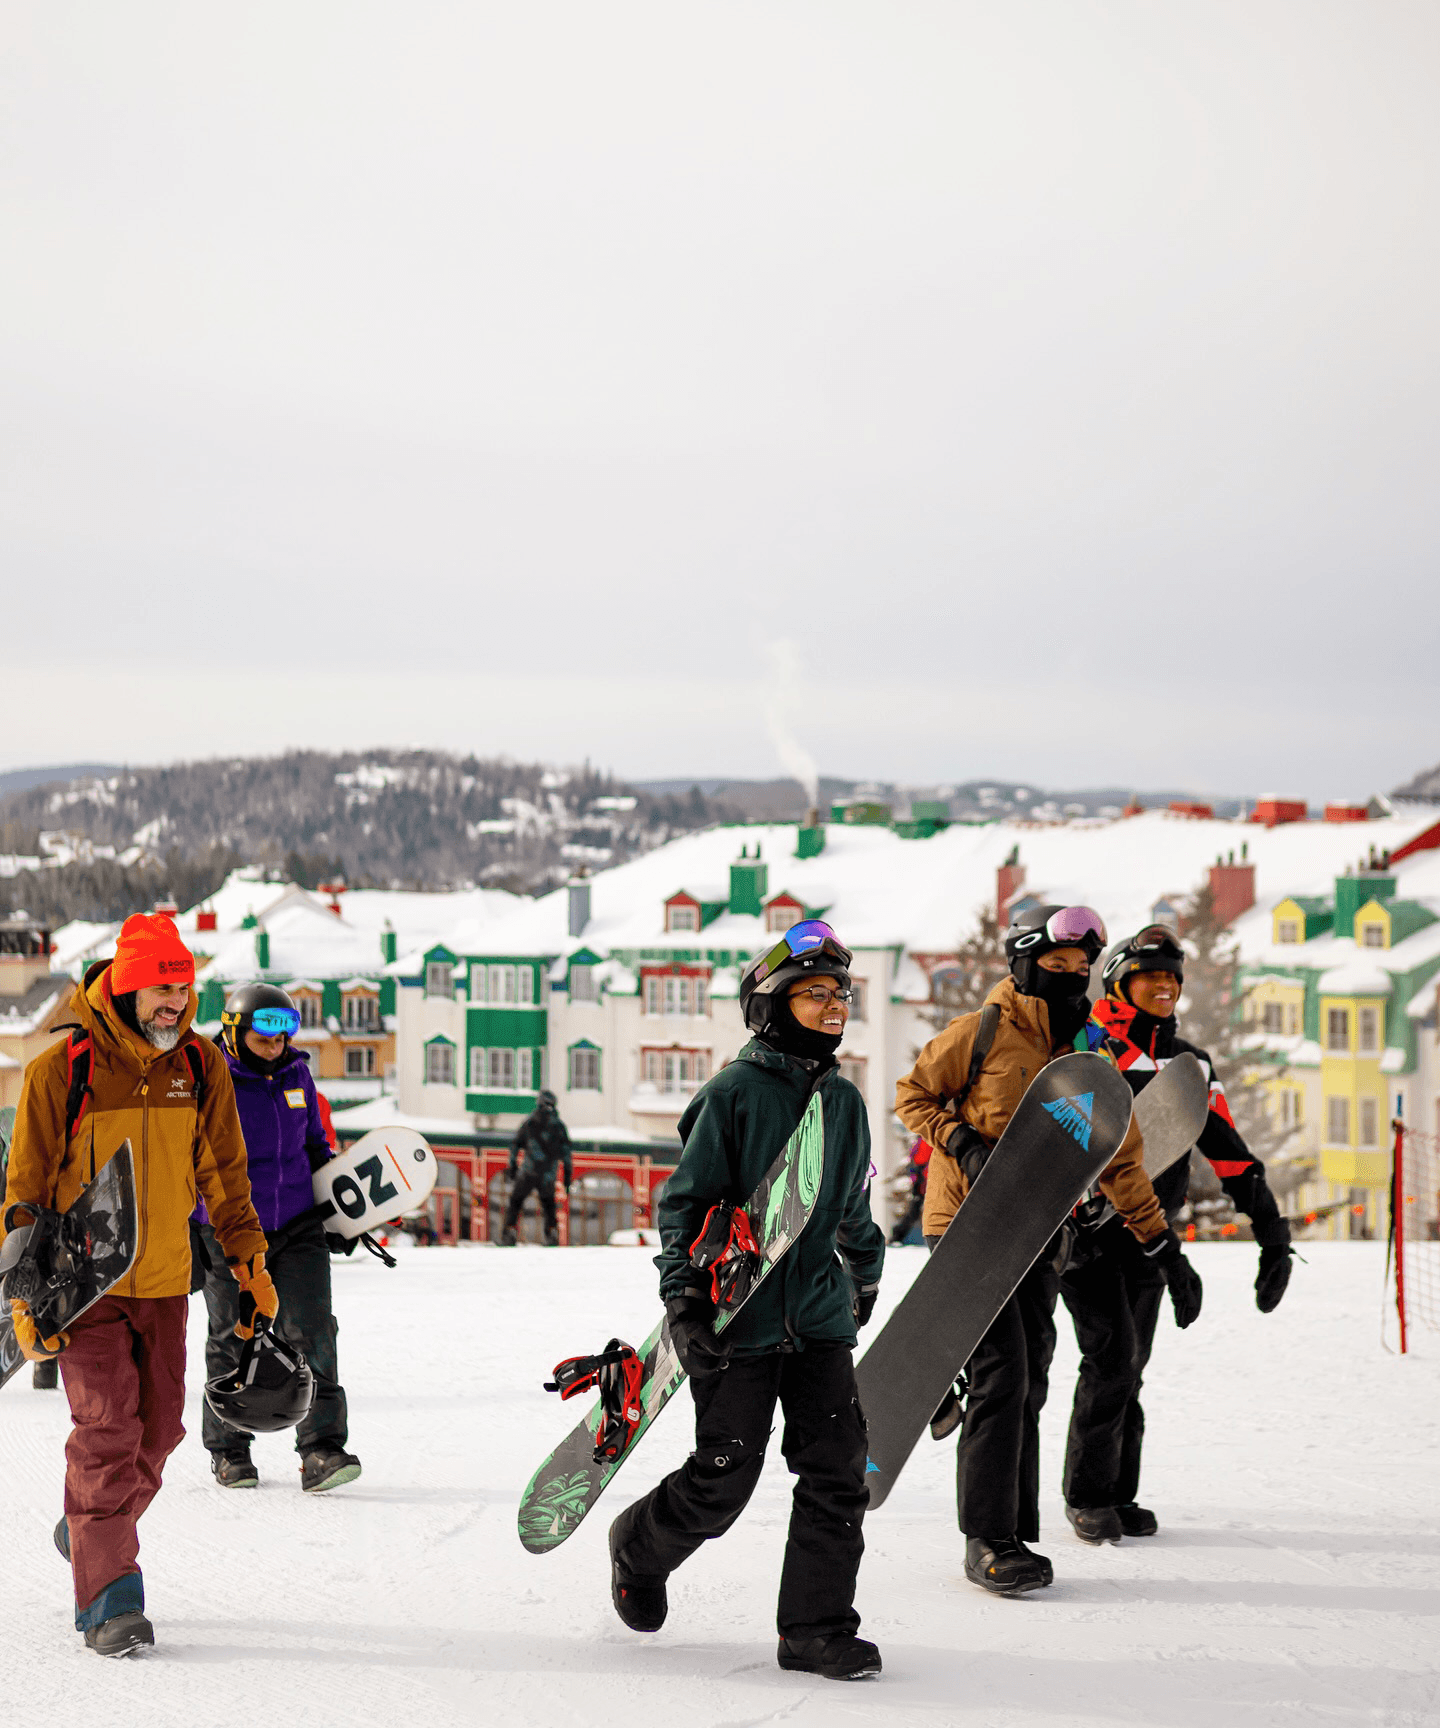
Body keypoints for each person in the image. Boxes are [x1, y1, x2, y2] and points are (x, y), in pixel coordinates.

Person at [894, 903, 1201, 1596]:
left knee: (1029, 1378)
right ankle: (986, 1541)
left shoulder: (1091, 1055)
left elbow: (1122, 1157)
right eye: (1054, 965)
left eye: (1079, 967)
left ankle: (1012, 1530)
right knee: (1003, 1372)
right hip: (968, 1223)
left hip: (1041, 1230)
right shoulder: (981, 1032)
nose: (1068, 976)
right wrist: (962, 1140)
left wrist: (1162, 1245)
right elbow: (913, 1095)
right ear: (1023, 965)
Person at [609, 921, 887, 1681]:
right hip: (739, 1319)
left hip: (819, 1321)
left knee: (838, 1474)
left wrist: (864, 1276)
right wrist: (684, 1305)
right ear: (770, 1005)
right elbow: (685, 1205)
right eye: (814, 992)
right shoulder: (733, 1095)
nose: (834, 1004)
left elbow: (851, 1207)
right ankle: (638, 1546)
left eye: (840, 992)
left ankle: (815, 1631)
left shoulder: (844, 1102)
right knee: (723, 1480)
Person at [2, 913, 272, 1657]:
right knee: (107, 1432)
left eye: (183, 989)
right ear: (126, 987)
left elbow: (226, 1176)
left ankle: (93, 1526)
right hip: (82, 1288)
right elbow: (24, 1192)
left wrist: (250, 1264)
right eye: (161, 989)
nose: (175, 1003)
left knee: (161, 1429)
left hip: (164, 1281)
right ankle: (110, 1599)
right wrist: (23, 1293)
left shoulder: (201, 1067)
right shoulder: (63, 1069)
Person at [1058, 924, 1294, 1541]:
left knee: (1131, 1365)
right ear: (1119, 984)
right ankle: (1087, 1496)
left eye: (1172, 977)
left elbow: (1230, 1153)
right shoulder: (1090, 1046)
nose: (1164, 986)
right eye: (1149, 976)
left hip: (1152, 1238)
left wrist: (1272, 1233)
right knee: (1111, 1359)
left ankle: (1117, 1493)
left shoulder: (1190, 1065)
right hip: (1086, 1235)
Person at [198, 982, 361, 1493]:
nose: (274, 1048)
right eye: (263, 1039)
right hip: (228, 1228)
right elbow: (193, 1157)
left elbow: (315, 1146)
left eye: (281, 1038)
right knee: (233, 1334)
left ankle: (321, 1449)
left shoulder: (297, 1075)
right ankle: (229, 1451)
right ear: (235, 1033)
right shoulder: (212, 1078)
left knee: (314, 1331)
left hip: (296, 1223)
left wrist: (339, 1215)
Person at [501, 1089, 573, 1246]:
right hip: (548, 1174)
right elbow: (567, 1155)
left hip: (528, 1171)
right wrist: (567, 1178)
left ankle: (510, 1231)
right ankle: (552, 1233)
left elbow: (515, 1145)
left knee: (516, 1201)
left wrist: (512, 1167)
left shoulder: (530, 1122)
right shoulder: (559, 1127)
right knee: (549, 1205)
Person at [889, 1137, 931, 1244]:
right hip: (924, 1181)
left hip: (923, 1180)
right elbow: (917, 1160)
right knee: (915, 1210)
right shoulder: (924, 1139)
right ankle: (897, 1237)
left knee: (915, 1210)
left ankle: (897, 1237)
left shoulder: (922, 1139)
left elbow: (914, 1159)